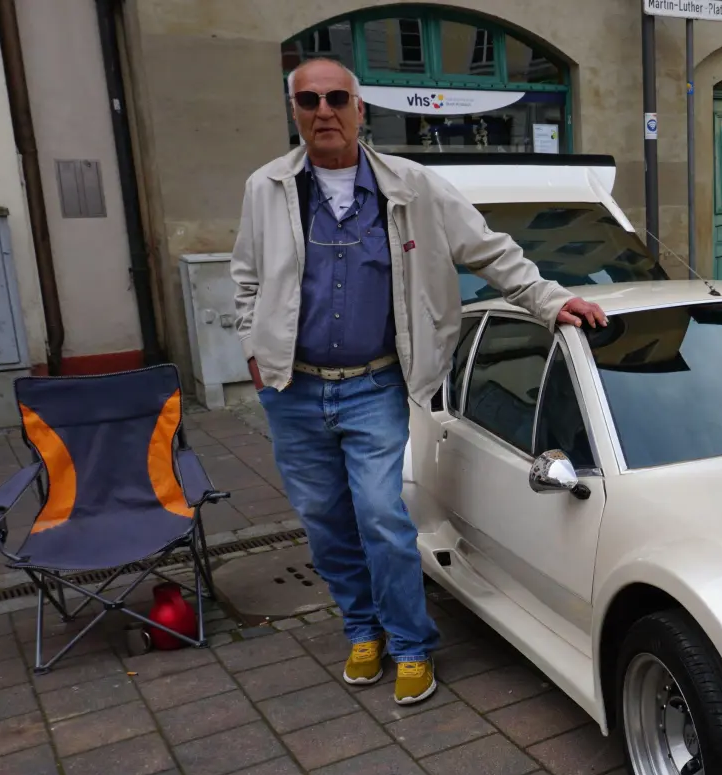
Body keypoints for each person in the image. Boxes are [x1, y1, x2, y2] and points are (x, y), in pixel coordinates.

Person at [230, 57, 607, 705]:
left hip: (373, 385)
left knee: (380, 515)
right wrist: (253, 350)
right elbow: (245, 278)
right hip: (291, 391)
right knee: (324, 522)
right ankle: (361, 629)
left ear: (360, 109)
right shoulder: (266, 188)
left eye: (337, 98)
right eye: (310, 100)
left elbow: (490, 251)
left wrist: (548, 301)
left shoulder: (413, 185)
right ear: (294, 111)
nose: (324, 111)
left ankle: (409, 643)